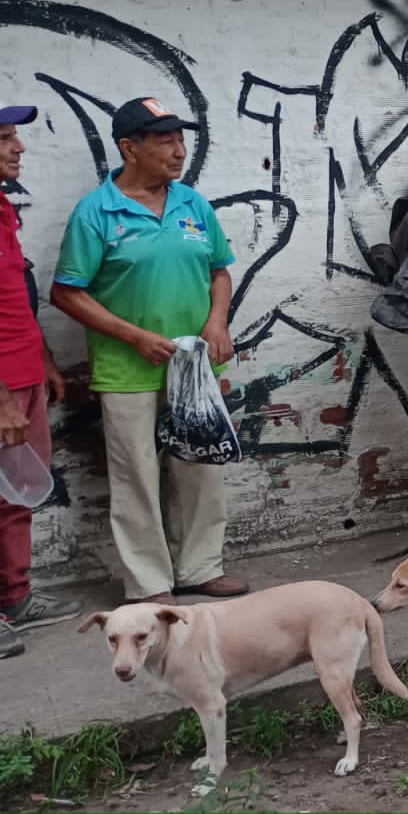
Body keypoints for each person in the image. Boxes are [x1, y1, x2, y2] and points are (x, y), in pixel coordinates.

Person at [52, 97, 245, 604]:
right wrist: (133, 336)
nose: (179, 151)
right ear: (129, 148)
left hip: (193, 365)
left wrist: (217, 318)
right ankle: (149, 583)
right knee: (135, 474)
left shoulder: (192, 204)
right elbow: (67, 292)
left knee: (199, 466)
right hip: (127, 366)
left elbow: (219, 270)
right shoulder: (97, 212)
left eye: (181, 140)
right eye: (165, 142)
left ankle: (200, 567)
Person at [0, 104, 78, 658]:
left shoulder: (4, 209)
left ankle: (14, 598)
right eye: (4, 138)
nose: (18, 147)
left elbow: (15, 299)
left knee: (17, 496)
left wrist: (45, 360)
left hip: (23, 375)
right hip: (2, 388)